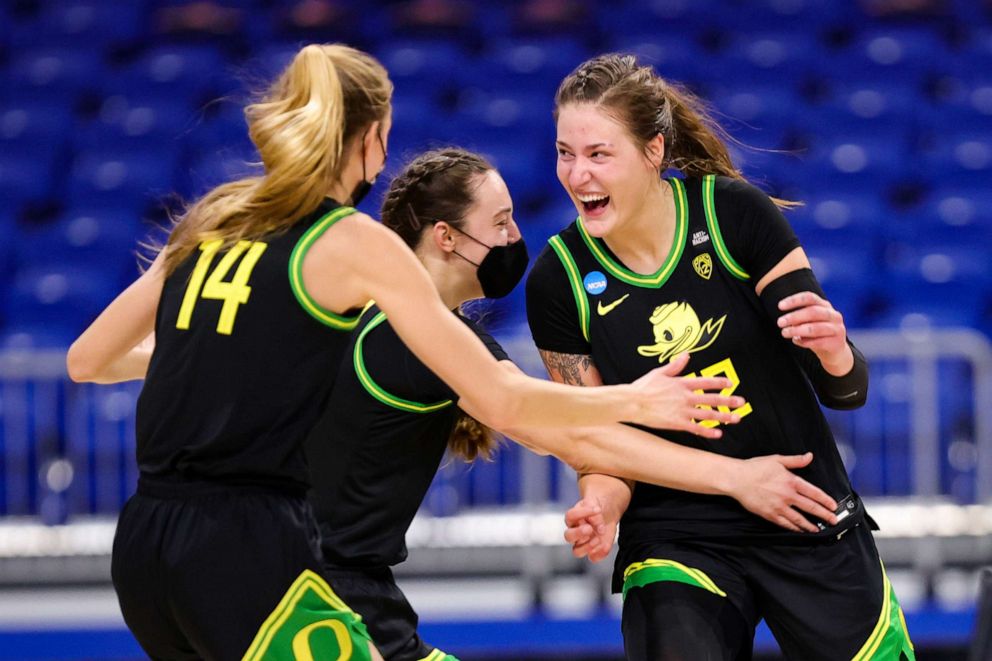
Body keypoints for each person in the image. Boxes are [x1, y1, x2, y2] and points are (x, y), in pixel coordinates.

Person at [65, 44, 747, 661]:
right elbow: (507, 401)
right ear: (373, 140)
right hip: (250, 548)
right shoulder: (352, 246)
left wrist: (222, 360)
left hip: (146, 545)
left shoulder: (217, 214)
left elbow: (88, 360)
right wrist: (637, 397)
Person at [306, 147, 841, 661]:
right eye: (501, 223)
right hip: (322, 582)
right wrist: (728, 472)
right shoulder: (415, 330)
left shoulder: (403, 321)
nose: (516, 238)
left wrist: (605, 496)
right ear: (446, 237)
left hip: (338, 577)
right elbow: (559, 428)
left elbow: (571, 435)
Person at [526, 54, 916, 660]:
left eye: (599, 154)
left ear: (654, 150)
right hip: (677, 533)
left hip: (799, 502)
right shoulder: (559, 279)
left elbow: (845, 389)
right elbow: (599, 444)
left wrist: (835, 351)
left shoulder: (734, 215)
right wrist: (600, 503)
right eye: (564, 153)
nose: (577, 175)